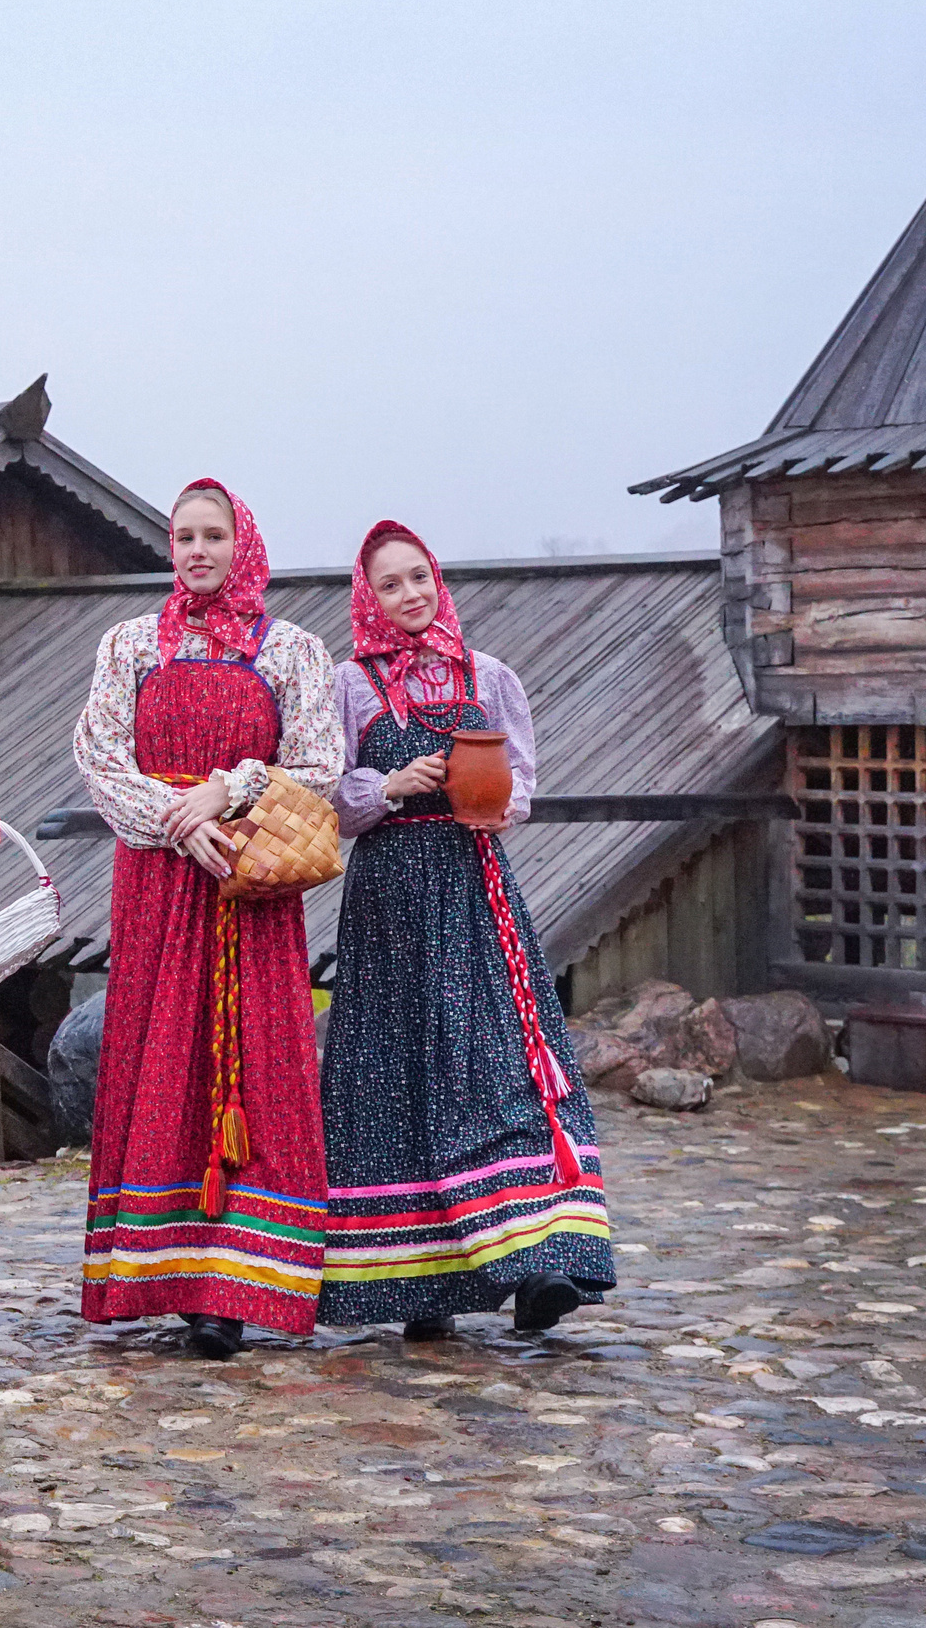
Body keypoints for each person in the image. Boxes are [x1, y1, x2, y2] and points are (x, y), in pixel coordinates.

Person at [69, 479, 341, 1360]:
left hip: (249, 882)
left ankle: (237, 1280)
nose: (196, 550)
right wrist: (179, 825)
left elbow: (320, 761)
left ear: (241, 543)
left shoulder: (294, 650)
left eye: (212, 535)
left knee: (255, 1061)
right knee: (165, 1054)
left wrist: (231, 792)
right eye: (183, 536)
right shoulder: (130, 644)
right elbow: (99, 756)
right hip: (161, 880)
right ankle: (174, 1275)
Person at [319, 521, 613, 1338]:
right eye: (391, 585)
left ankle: (538, 1264)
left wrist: (474, 791)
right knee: (395, 1074)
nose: (410, 595)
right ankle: (424, 1284)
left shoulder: (487, 675)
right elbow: (330, 799)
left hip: (472, 888)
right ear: (367, 598)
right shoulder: (349, 686)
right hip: (387, 902)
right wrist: (390, 784)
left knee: (499, 1062)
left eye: (419, 578)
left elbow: (519, 788)